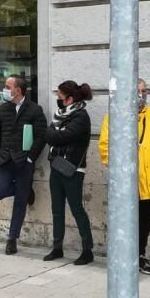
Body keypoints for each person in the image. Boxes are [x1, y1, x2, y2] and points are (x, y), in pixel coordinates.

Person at [99, 79, 150, 275]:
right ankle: (123, 256)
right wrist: (116, 170)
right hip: (126, 182)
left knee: (145, 220)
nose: (141, 94)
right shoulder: (114, 116)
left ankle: (140, 255)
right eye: (137, 91)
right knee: (124, 221)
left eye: (144, 91)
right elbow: (105, 145)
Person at [0, 75, 47, 255]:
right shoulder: (1, 109)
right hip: (4, 161)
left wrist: (31, 158)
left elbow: (41, 136)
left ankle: (12, 239)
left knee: (20, 201)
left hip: (24, 162)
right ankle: (26, 190)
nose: (4, 88)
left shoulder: (35, 110)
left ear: (18, 90)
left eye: (7, 86)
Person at [43, 81, 95, 265]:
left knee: (77, 209)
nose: (57, 100)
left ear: (70, 99)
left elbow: (58, 136)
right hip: (57, 166)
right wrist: (54, 134)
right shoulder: (60, 115)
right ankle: (57, 248)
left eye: (59, 97)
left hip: (73, 170)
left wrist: (54, 134)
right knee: (57, 209)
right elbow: (49, 134)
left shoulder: (81, 117)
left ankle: (87, 250)